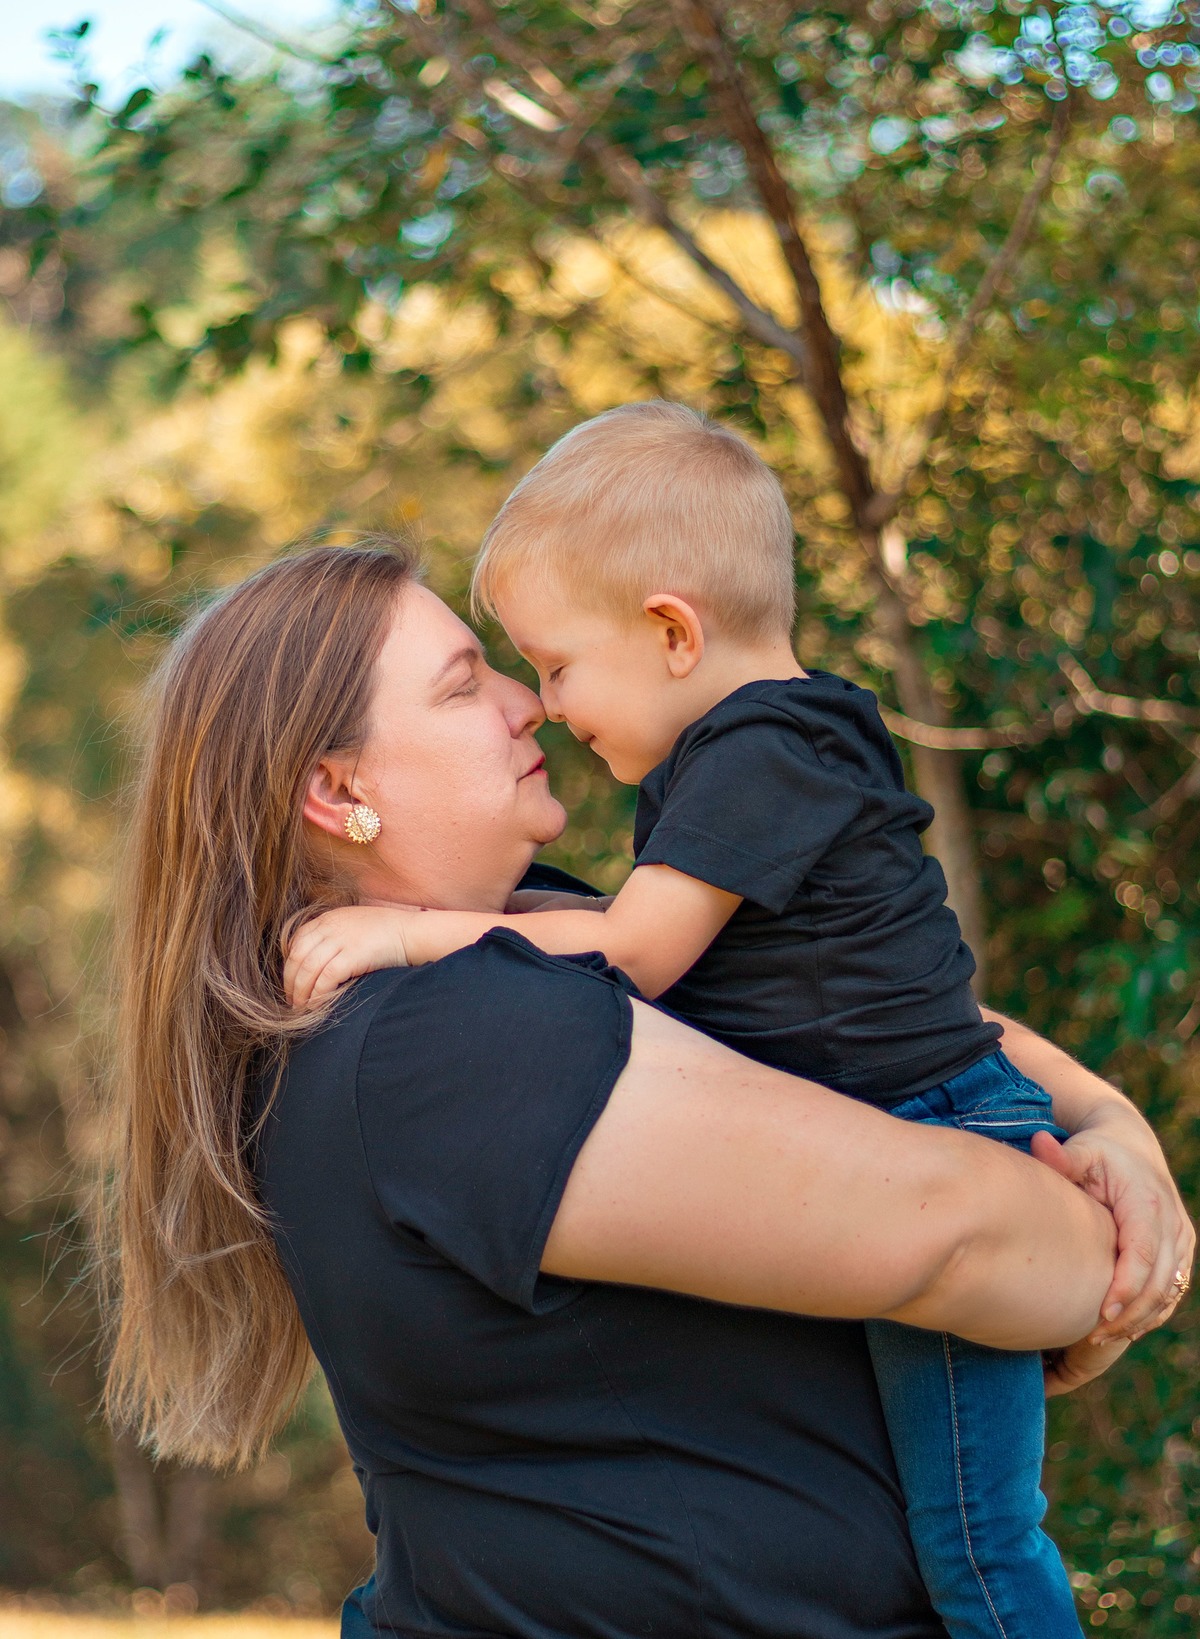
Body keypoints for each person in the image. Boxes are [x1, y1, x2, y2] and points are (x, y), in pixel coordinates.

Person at [102, 543, 1192, 1639]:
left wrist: (1111, 1123)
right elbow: (965, 1241)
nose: (527, 702)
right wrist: (1104, 1251)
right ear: (339, 791)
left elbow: (886, 1018)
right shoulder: (449, 1041)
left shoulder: (506, 964)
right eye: (463, 683)